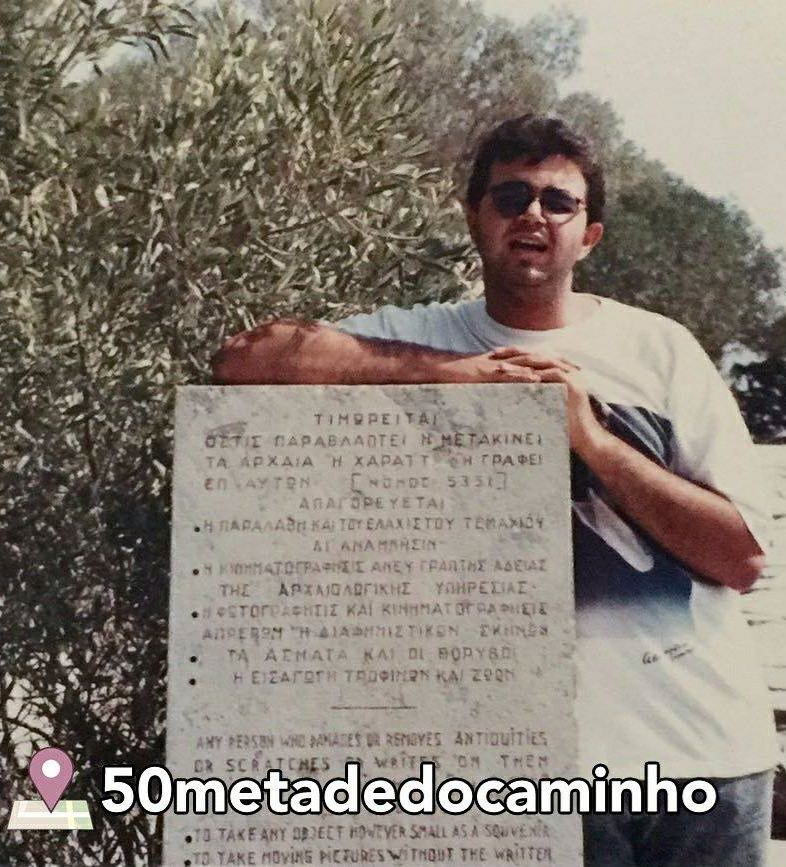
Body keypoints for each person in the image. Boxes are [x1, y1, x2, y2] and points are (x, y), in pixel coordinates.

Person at [211, 115, 777, 866]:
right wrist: (458, 375)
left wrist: (591, 439)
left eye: (558, 201)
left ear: (589, 235)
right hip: (529, 777)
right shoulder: (425, 337)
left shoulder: (659, 350)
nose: (533, 214)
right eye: (510, 197)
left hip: (703, 761)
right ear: (474, 218)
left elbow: (741, 558)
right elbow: (246, 359)